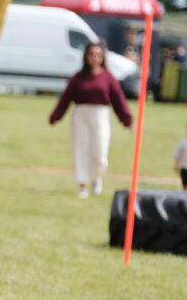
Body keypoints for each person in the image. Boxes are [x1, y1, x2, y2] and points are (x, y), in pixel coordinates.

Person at [49, 42, 133, 198]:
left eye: (98, 55)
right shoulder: (78, 77)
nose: (95, 58)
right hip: (81, 116)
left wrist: (127, 120)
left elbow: (118, 100)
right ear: (86, 56)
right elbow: (66, 99)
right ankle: (82, 185)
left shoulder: (108, 77)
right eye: (92, 54)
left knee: (99, 149)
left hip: (100, 115)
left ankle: (96, 178)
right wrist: (55, 116)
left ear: (102, 58)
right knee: (81, 150)